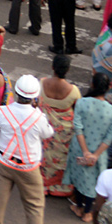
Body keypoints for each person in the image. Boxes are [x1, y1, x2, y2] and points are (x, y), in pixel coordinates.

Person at [0, 74, 54, 224]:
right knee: (35, 207)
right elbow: (48, 133)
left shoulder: (2, 112)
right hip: (28, 168)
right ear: (35, 97)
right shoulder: (38, 117)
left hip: (3, 162)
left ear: (16, 93)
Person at [64, 73, 112, 222]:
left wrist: (85, 151)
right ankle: (88, 212)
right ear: (107, 89)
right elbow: (110, 135)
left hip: (80, 148)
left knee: (79, 175)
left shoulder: (82, 102)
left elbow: (78, 127)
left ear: (93, 85)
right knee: (93, 181)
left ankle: (78, 206)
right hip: (99, 154)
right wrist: (95, 154)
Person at [39, 54, 81, 197]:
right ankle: (58, 186)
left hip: (45, 128)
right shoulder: (73, 91)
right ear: (67, 70)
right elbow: (78, 110)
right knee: (60, 159)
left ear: (53, 67)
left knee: (44, 156)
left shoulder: (42, 83)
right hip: (63, 133)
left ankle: (42, 184)